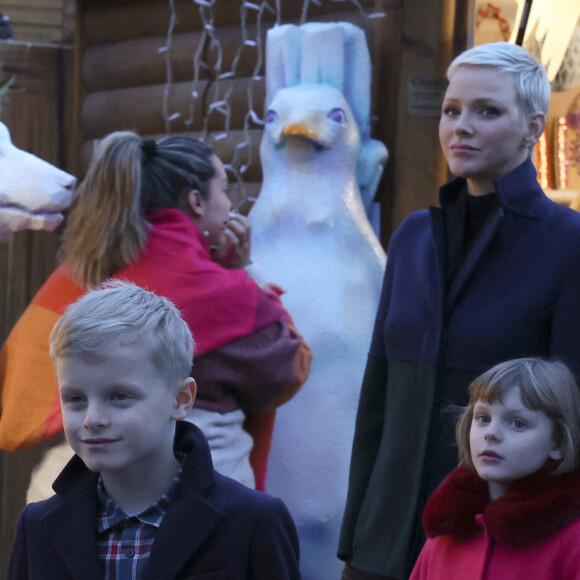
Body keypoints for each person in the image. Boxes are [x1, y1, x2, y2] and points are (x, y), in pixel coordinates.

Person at [338, 41, 580, 580]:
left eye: (486, 111)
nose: (460, 126)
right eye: (452, 110)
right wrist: (356, 531)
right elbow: (377, 398)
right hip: (383, 540)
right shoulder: (413, 239)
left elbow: (572, 415)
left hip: (496, 545)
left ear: (533, 127)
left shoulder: (568, 244)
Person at [0, 131, 312, 494]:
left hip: (65, 500)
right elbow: (291, 368)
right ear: (196, 201)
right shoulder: (226, 292)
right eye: (224, 190)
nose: (229, 205)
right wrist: (244, 271)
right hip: (195, 507)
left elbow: (20, 383)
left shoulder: (75, 276)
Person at [7, 281, 302, 580]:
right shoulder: (36, 526)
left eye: (119, 396)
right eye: (75, 399)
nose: (92, 419)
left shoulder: (253, 522)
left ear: (180, 399)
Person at [410, 358, 580, 580]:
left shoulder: (573, 540)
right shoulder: (448, 529)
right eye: (483, 418)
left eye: (518, 423)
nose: (491, 433)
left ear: (557, 442)